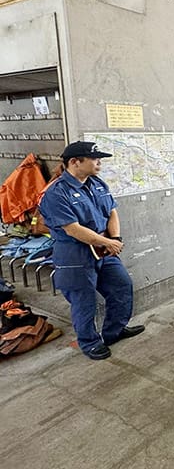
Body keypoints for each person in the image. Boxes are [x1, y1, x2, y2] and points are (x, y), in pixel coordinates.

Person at [38, 141, 144, 360]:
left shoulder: (97, 184)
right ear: (75, 162)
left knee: (122, 286)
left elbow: (112, 211)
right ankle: (89, 342)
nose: (99, 163)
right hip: (75, 254)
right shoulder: (56, 193)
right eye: (94, 159)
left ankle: (114, 331)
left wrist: (114, 238)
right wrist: (107, 243)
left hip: (104, 250)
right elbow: (73, 229)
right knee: (84, 301)